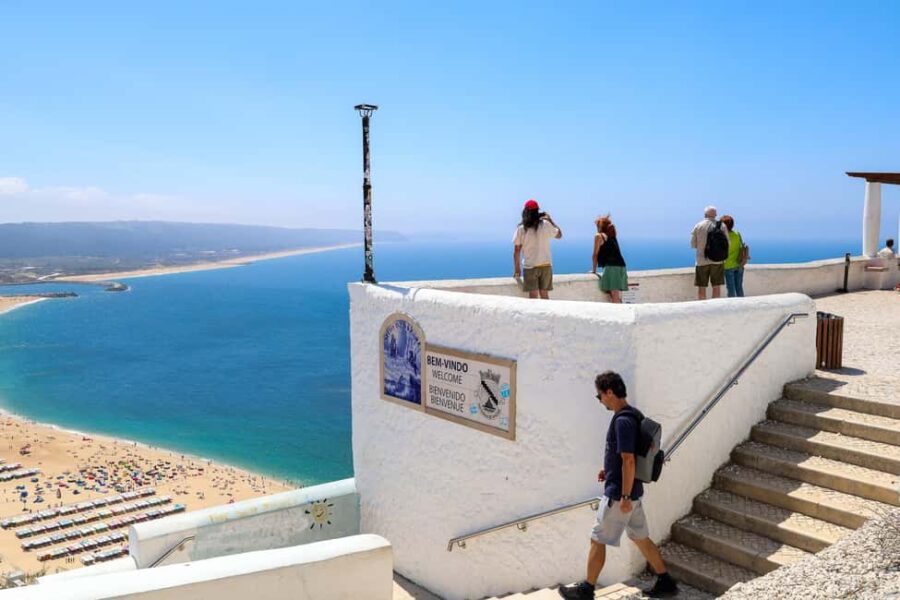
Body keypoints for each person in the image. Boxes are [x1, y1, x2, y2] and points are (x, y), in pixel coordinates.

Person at [559, 371, 677, 599]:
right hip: (633, 492)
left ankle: (587, 589)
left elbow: (629, 459)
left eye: (599, 396)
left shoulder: (622, 421)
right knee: (640, 537)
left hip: (621, 495)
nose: (600, 400)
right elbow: (627, 458)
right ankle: (665, 581)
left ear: (609, 392)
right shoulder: (634, 414)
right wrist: (609, 470)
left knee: (597, 538)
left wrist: (623, 495)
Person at [513, 199, 562, 299]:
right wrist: (550, 220)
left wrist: (517, 268)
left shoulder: (521, 228)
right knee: (544, 295)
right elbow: (559, 235)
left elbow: (517, 250)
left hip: (530, 266)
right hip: (546, 265)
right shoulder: (545, 224)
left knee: (533, 296)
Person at [690, 206, 727, 300]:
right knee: (716, 286)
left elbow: (693, 244)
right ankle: (715, 307)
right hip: (717, 261)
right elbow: (727, 243)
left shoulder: (698, 226)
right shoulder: (722, 226)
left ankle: (702, 306)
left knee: (702, 287)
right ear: (715, 215)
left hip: (702, 260)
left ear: (705, 214)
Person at [591, 215, 628, 303]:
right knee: (616, 295)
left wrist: (594, 270)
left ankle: (619, 315)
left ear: (599, 226)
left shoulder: (599, 236)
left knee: (614, 295)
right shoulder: (612, 236)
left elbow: (595, 255)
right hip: (621, 266)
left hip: (611, 267)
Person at [721, 215, 745, 298]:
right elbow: (741, 246)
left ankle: (732, 308)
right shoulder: (737, 234)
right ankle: (742, 305)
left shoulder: (723, 236)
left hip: (728, 266)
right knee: (739, 288)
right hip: (739, 264)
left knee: (731, 289)